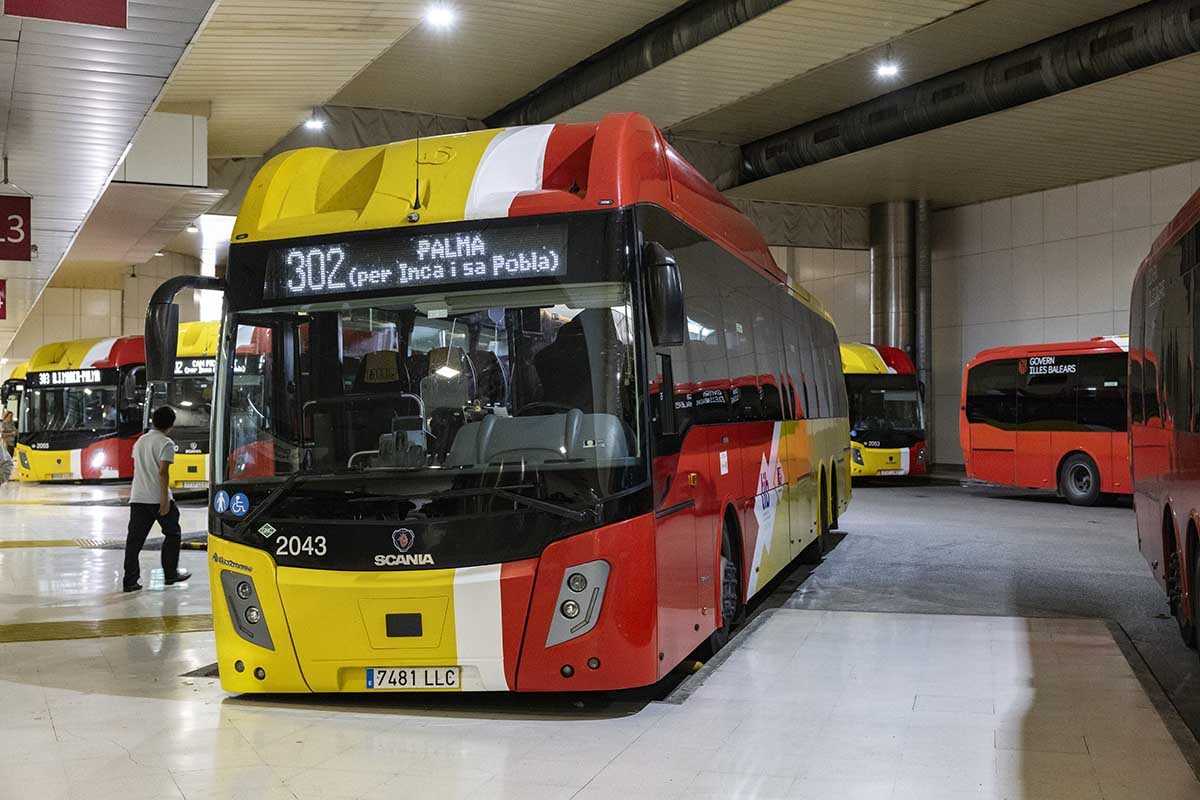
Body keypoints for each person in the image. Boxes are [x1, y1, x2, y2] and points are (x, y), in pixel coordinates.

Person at [123, 406, 190, 592]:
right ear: (171, 424)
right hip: (156, 497)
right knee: (173, 533)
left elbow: (140, 468)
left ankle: (130, 581)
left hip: (137, 498)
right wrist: (164, 500)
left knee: (134, 542)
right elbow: (162, 473)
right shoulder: (166, 443)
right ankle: (170, 574)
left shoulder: (140, 442)